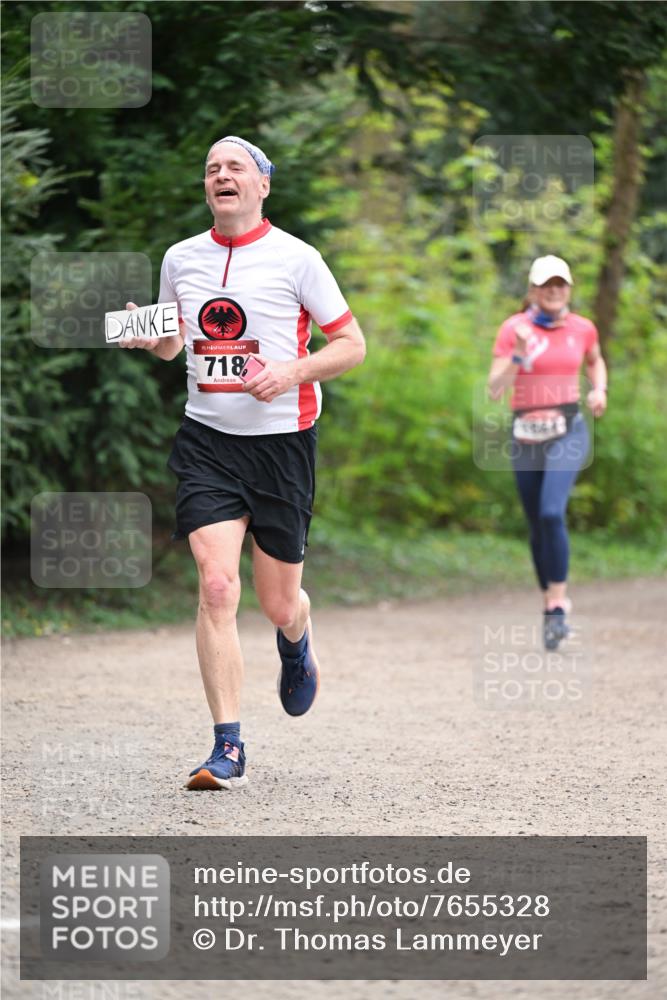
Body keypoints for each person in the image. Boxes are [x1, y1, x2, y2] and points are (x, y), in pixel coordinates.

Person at [120, 135, 366, 789]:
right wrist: (151, 339)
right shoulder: (181, 257)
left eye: (234, 166)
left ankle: (296, 638)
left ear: (262, 185)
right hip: (208, 443)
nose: (220, 175)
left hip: (283, 447)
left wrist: (293, 370)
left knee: (277, 603)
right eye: (210, 169)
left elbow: (351, 344)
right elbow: (176, 344)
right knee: (217, 587)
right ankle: (227, 747)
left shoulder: (297, 259)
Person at [487, 255, 607, 649]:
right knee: (537, 522)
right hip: (524, 432)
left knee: (553, 511)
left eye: (561, 284)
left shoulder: (582, 328)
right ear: (533, 290)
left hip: (567, 429)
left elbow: (595, 360)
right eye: (546, 285)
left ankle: (558, 604)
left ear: (569, 288)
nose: (554, 291)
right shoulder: (513, 329)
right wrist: (519, 354)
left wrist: (599, 389)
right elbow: (494, 388)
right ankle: (549, 604)